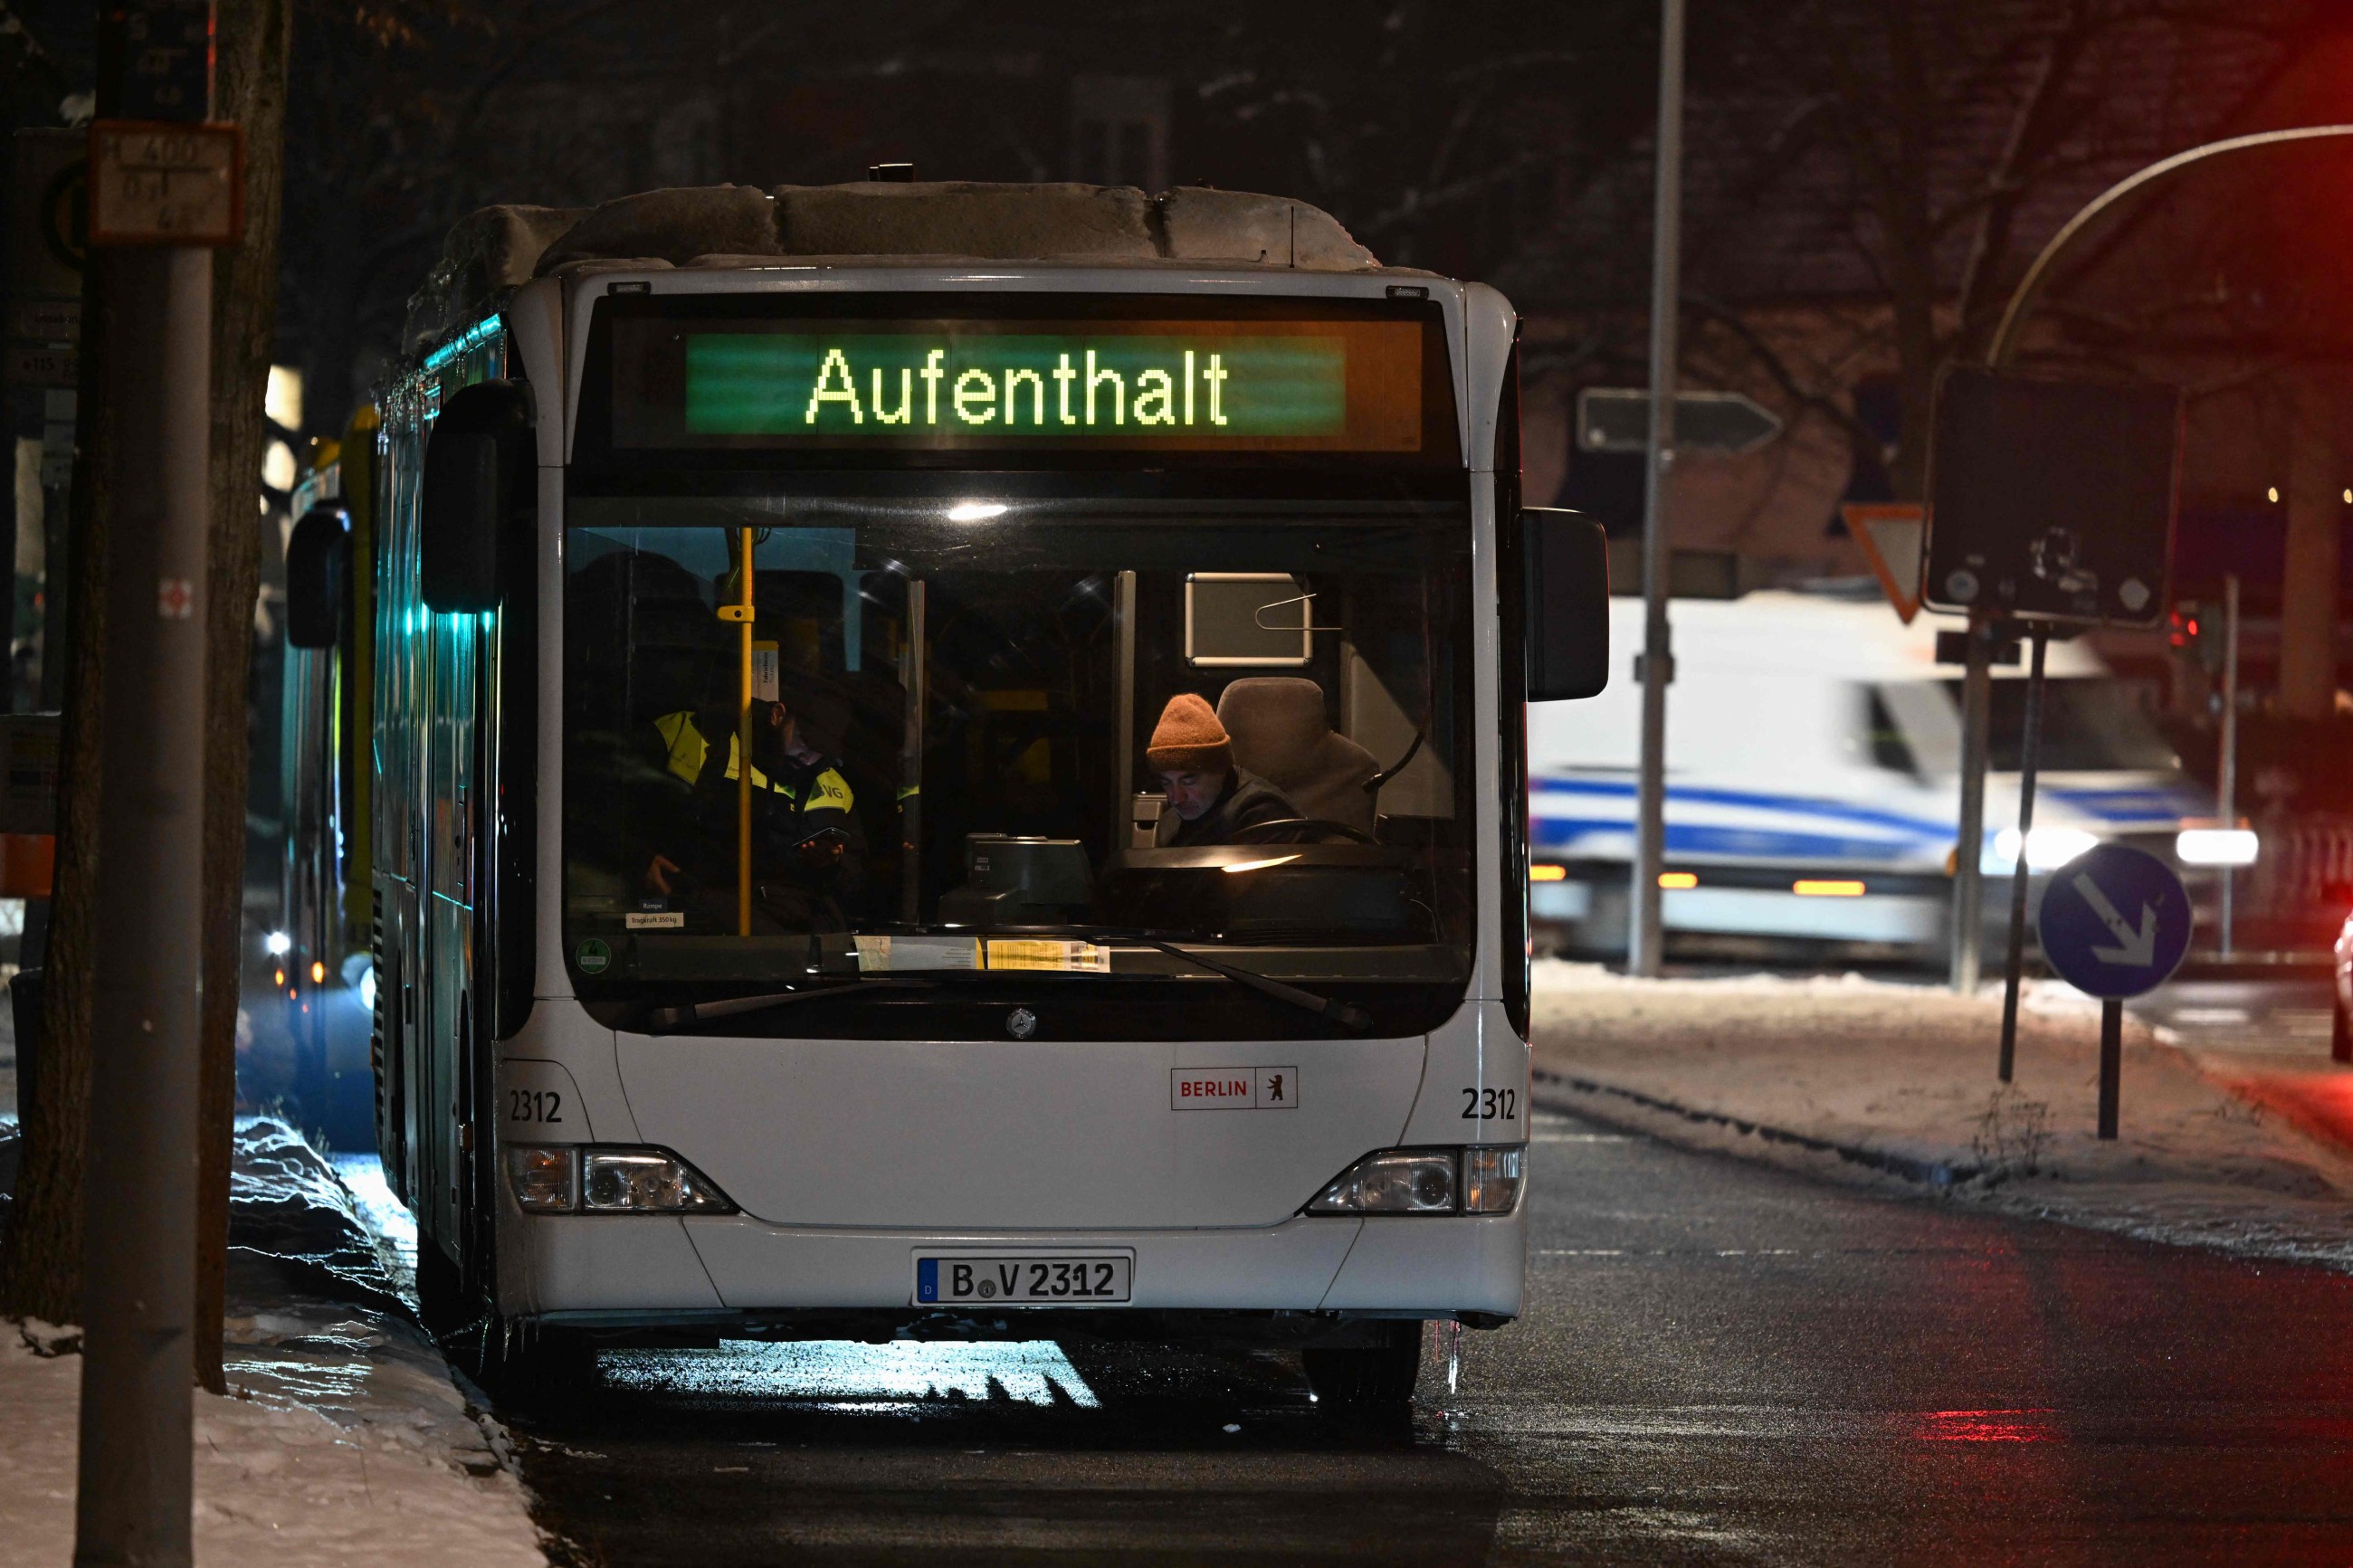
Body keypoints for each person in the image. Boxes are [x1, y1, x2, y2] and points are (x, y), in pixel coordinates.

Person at [643, 689, 866, 924]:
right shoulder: (690, 733)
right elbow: (616, 805)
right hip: (694, 919)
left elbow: (855, 881)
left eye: (824, 751)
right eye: (806, 741)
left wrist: (830, 866)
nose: (809, 758)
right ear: (778, 716)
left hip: (796, 930)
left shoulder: (836, 788)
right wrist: (641, 859)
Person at [1146, 693, 1303, 847]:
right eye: (1166, 783)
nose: (1176, 798)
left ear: (1220, 769)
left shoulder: (1264, 815)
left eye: (1189, 781)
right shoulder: (1169, 825)